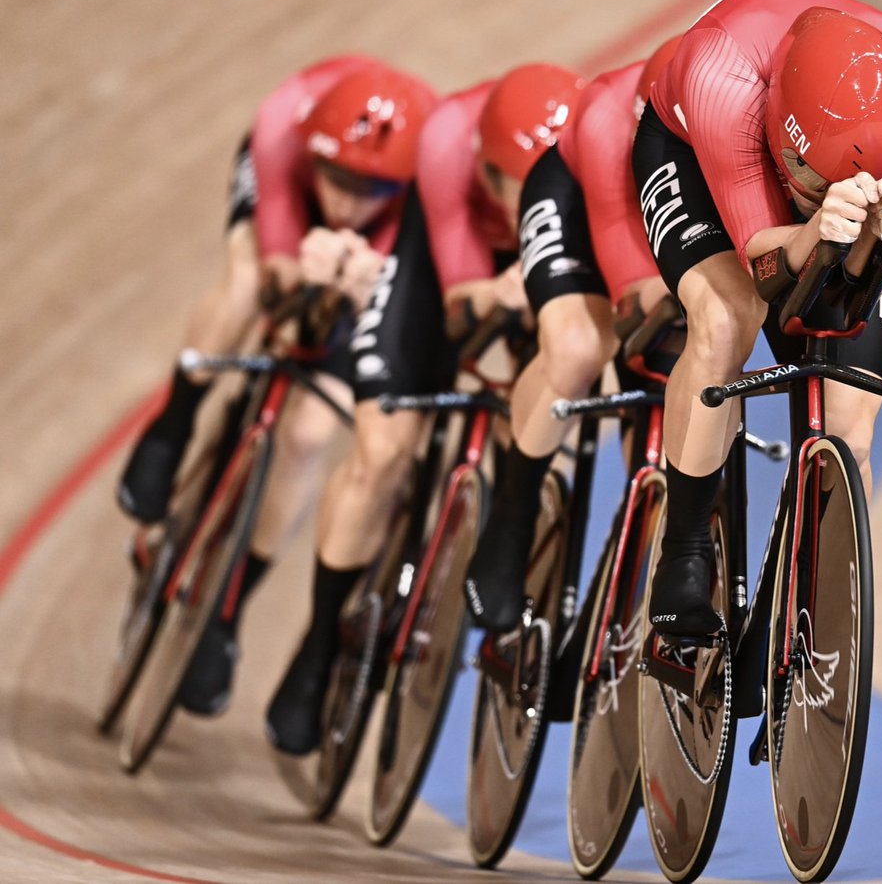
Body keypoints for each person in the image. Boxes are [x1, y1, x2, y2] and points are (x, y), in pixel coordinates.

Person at [265, 60, 587, 752]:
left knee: (544, 418)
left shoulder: (580, 169)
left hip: (537, 270)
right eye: (520, 190)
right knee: (381, 454)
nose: (532, 206)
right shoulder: (447, 143)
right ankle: (318, 645)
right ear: (488, 169)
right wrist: (497, 295)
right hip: (438, 267)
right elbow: (461, 308)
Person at [116, 55, 438, 717]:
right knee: (245, 286)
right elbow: (277, 273)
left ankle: (227, 608)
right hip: (283, 198)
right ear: (315, 154)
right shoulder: (281, 128)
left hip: (378, 247)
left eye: (369, 189)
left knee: (308, 433)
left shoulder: (423, 190)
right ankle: (174, 425)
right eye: (337, 180)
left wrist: (357, 286)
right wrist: (295, 278)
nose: (347, 202)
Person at [630, 0, 882, 636]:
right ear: (785, 141)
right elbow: (764, 270)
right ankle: (684, 551)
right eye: (813, 183)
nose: (818, 197)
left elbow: (846, 293)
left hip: (818, 163)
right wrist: (814, 229)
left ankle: (819, 619)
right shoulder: (724, 79)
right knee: (726, 319)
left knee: (851, 426)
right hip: (695, 154)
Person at [462, 37, 682, 632]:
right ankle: (511, 523)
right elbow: (628, 285)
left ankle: (625, 582)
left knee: (685, 389)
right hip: (585, 198)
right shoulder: (608, 116)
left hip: (664, 210)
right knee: (581, 347)